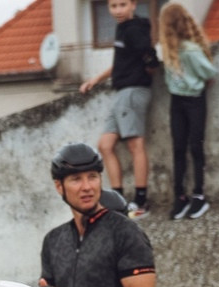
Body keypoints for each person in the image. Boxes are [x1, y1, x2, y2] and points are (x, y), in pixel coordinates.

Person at [40, 142, 156, 287]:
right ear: (59, 186)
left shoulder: (125, 231)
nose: (87, 187)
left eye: (92, 176)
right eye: (76, 179)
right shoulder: (53, 239)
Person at [80, 0, 160, 217]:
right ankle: (119, 199)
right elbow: (122, 61)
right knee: (105, 145)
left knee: (135, 145)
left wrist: (151, 67)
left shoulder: (134, 28)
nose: (117, 10)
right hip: (121, 93)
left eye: (122, 4)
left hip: (132, 91)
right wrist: (96, 78)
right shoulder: (123, 29)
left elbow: (149, 54)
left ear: (133, 5)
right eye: (113, 6)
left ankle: (141, 202)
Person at [159, 2, 215, 220]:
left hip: (195, 101)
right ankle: (179, 196)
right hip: (177, 102)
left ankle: (199, 195)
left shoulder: (190, 50)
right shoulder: (166, 50)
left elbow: (210, 71)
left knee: (196, 146)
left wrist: (197, 82)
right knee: (178, 148)